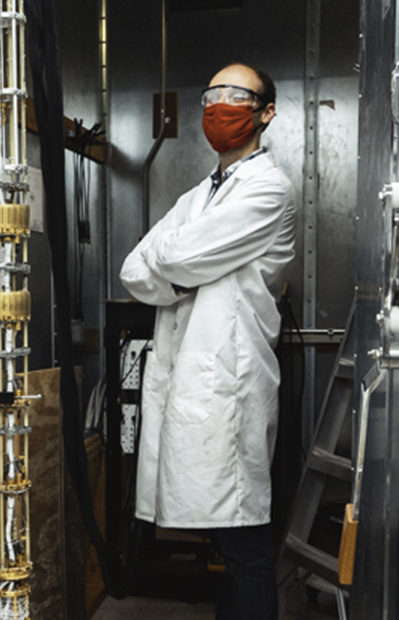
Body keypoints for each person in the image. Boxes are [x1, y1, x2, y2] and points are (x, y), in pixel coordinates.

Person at [120, 62, 298, 620]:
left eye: (237, 96)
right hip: (193, 381)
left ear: (265, 112)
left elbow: (171, 257)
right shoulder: (199, 195)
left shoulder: (268, 188)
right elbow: (134, 268)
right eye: (213, 94)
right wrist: (183, 269)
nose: (221, 106)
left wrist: (175, 270)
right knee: (224, 537)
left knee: (244, 536)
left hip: (230, 382)